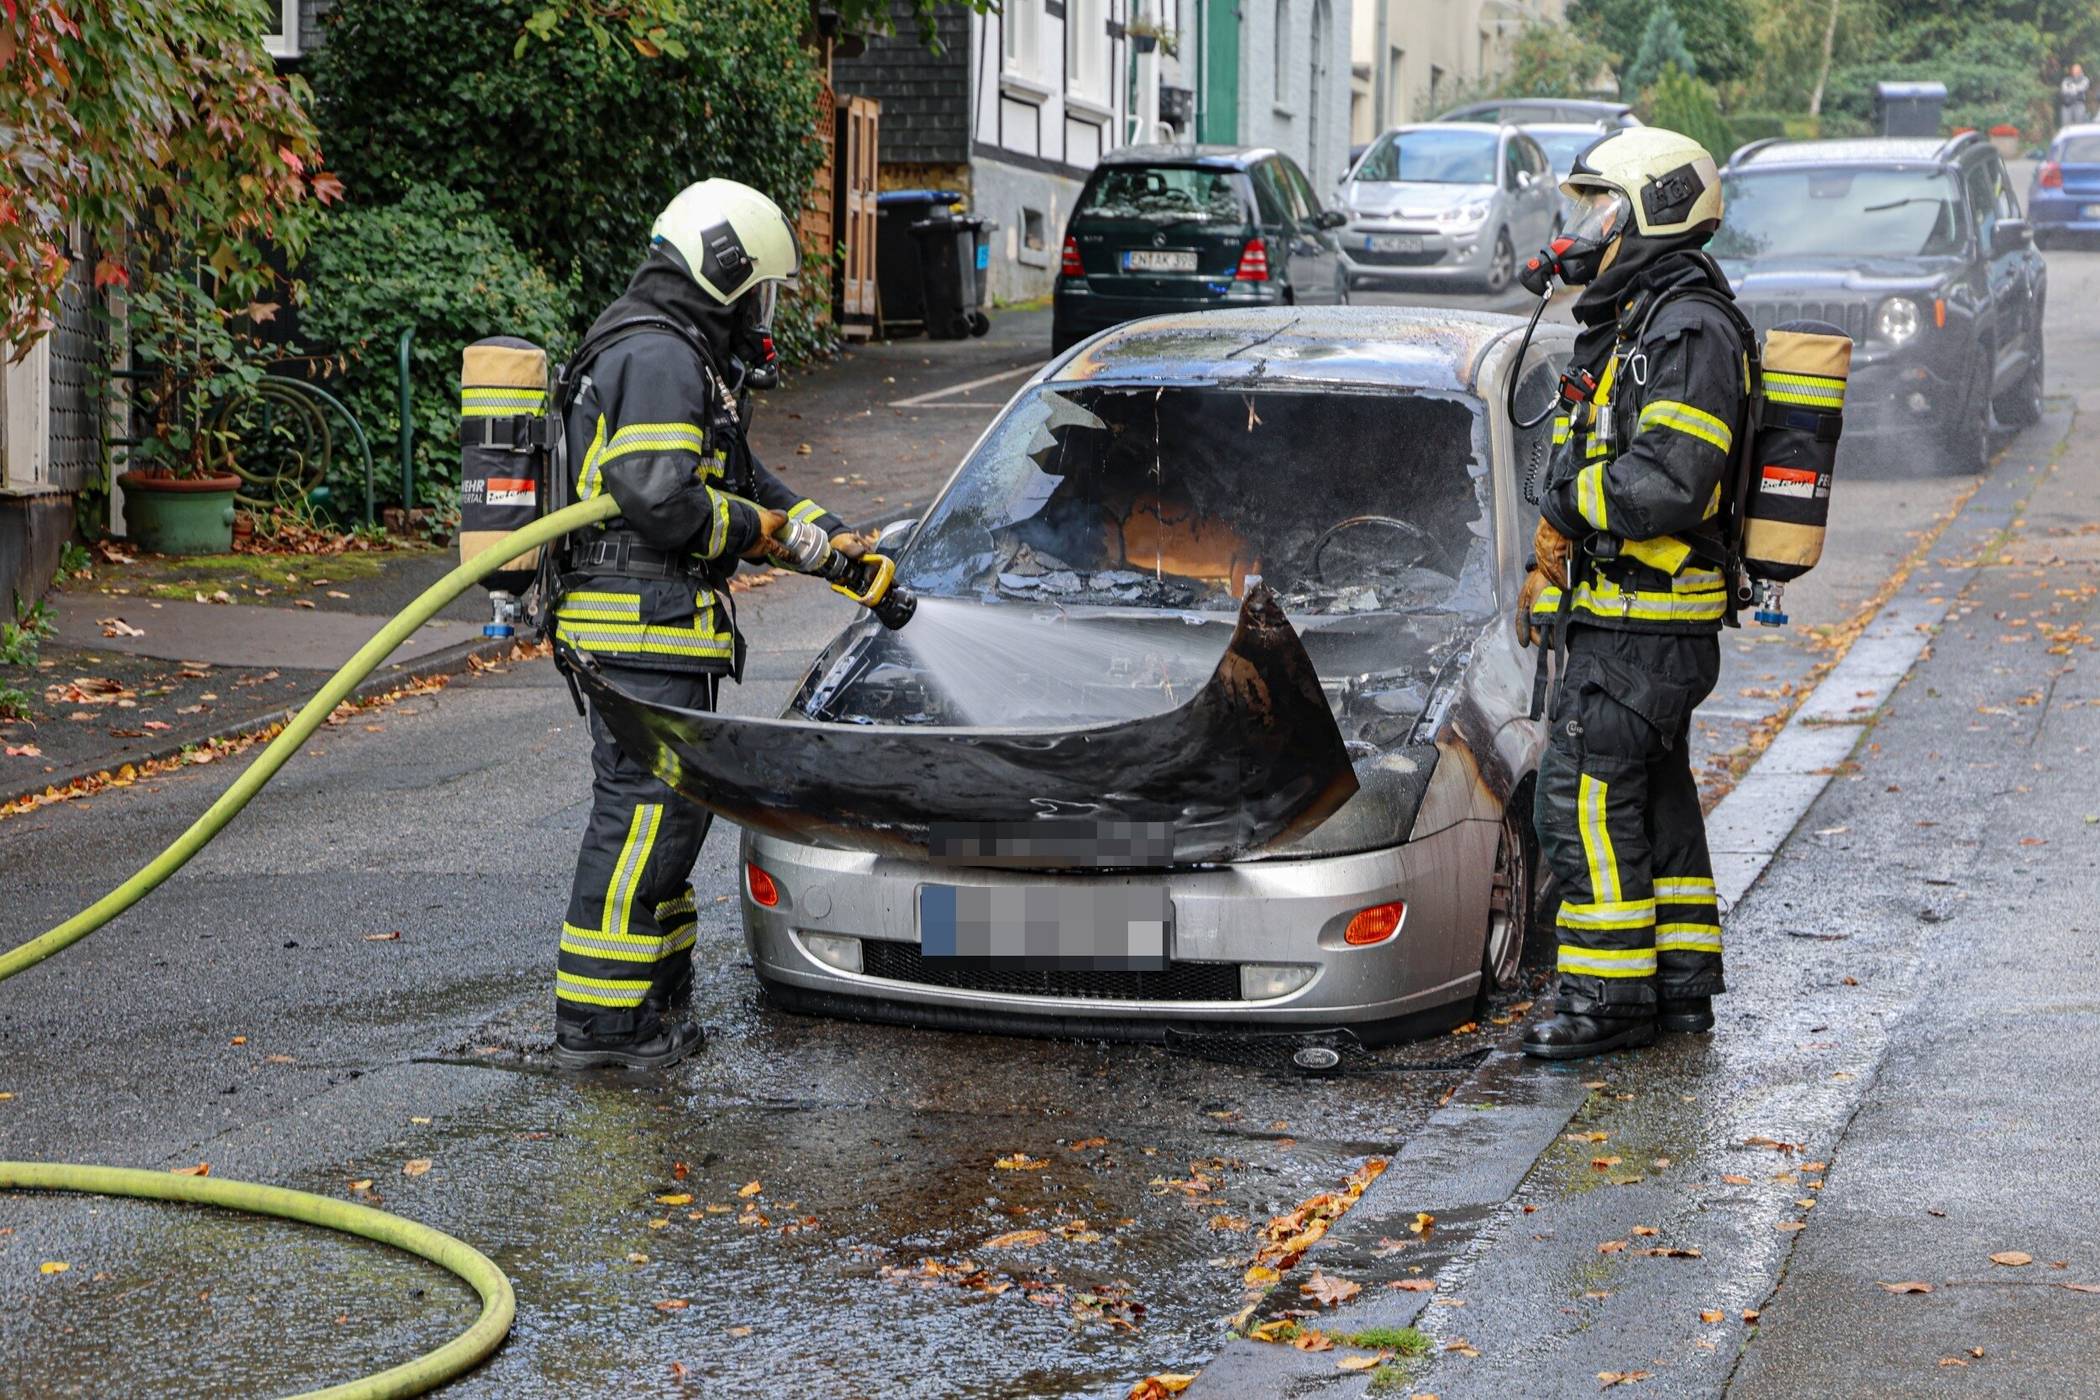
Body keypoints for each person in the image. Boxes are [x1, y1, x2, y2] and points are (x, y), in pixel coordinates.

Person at [548, 179, 864, 1070]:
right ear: (727, 272)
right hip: (637, 619)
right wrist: (759, 534)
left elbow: (739, 473)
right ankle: (605, 1028)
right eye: (761, 289)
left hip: (654, 623)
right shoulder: (658, 355)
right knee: (644, 814)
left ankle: (656, 998)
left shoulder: (677, 352)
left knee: (672, 816)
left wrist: (828, 539)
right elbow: (659, 496)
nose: (764, 311)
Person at [1514, 127, 1745, 1059]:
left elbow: (1669, 482)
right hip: (1637, 620)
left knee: (1579, 801)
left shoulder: (1686, 329)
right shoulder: (1651, 319)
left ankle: (1605, 1002)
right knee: (1652, 805)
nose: (1585, 231)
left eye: (1602, 209)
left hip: (1644, 621)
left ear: (1656, 209)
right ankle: (1679, 989)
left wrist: (1565, 503)